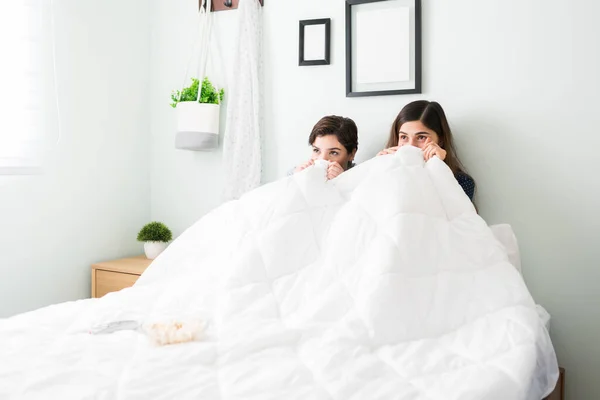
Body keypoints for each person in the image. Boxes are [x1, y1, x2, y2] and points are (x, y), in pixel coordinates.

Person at [377, 100, 476, 200]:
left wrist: (438, 168)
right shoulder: (387, 173)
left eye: (421, 137)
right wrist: (378, 172)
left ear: (440, 140)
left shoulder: (462, 182)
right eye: (403, 137)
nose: (410, 146)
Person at [291, 115, 359, 180]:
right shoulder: (296, 174)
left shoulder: (362, 181)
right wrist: (296, 180)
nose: (322, 159)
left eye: (334, 153)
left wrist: (343, 183)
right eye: (316, 150)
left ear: (352, 154)